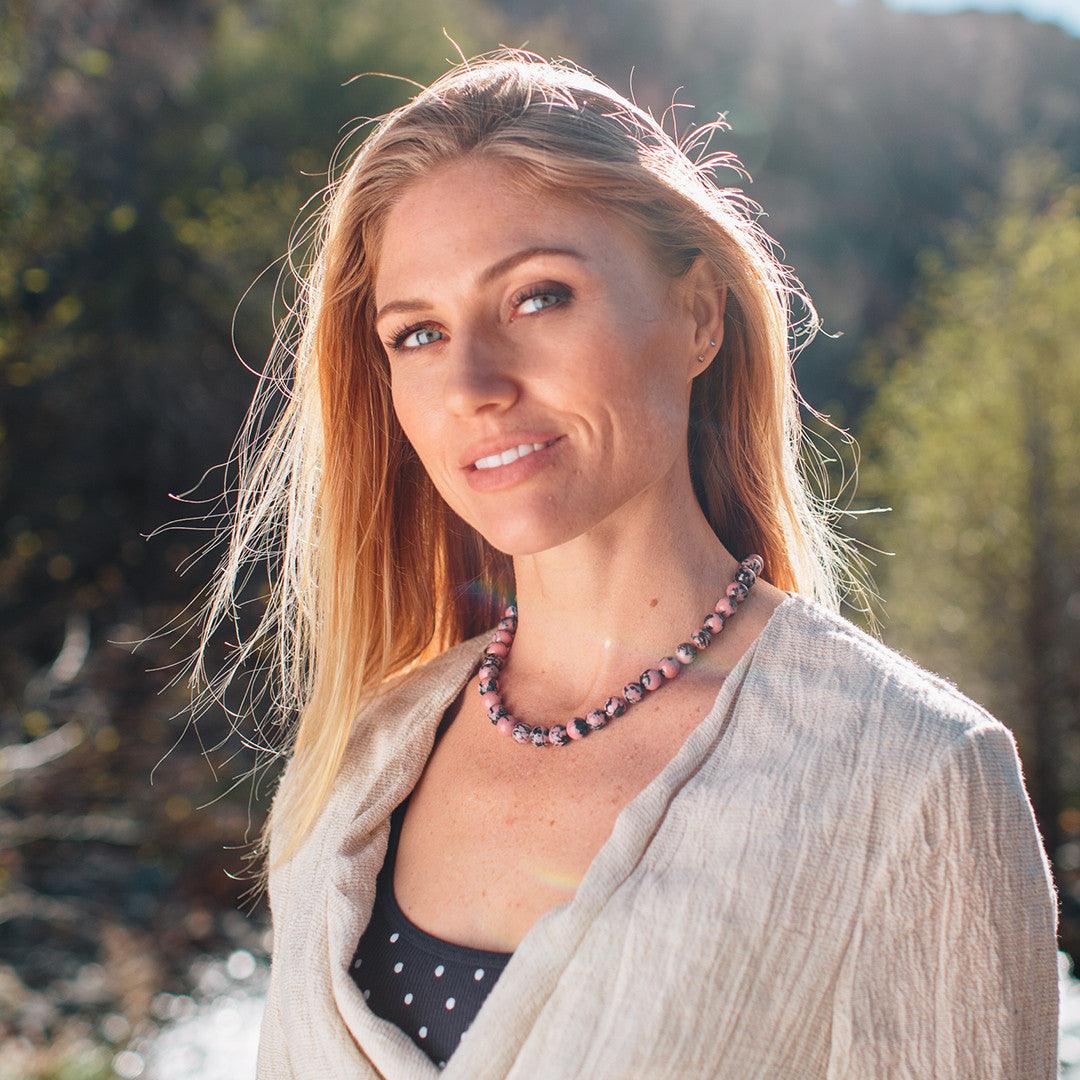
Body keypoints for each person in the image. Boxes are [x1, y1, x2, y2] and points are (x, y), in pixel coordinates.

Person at [187, 47, 1059, 1078]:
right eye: (417, 334)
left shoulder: (913, 780)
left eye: (538, 297)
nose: (472, 382)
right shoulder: (356, 763)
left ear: (697, 313)